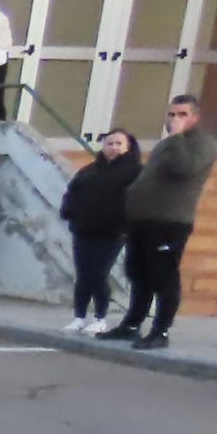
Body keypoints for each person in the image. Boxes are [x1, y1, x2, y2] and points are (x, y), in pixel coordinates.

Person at [105, 93, 217, 349]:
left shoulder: (199, 143)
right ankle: (132, 324)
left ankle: (161, 331)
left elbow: (184, 167)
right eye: (171, 114)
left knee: (163, 276)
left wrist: (177, 136)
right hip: (143, 221)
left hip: (170, 222)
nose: (175, 120)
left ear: (195, 117)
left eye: (182, 115)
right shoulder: (167, 143)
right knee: (138, 273)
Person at [60, 129, 141, 335]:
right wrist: (71, 213)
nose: (113, 148)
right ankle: (79, 316)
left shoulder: (135, 172)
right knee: (83, 273)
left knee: (99, 272)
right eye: (109, 143)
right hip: (84, 230)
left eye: (118, 144)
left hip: (113, 232)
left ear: (128, 147)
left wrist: (126, 223)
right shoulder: (89, 171)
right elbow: (72, 193)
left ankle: (100, 317)